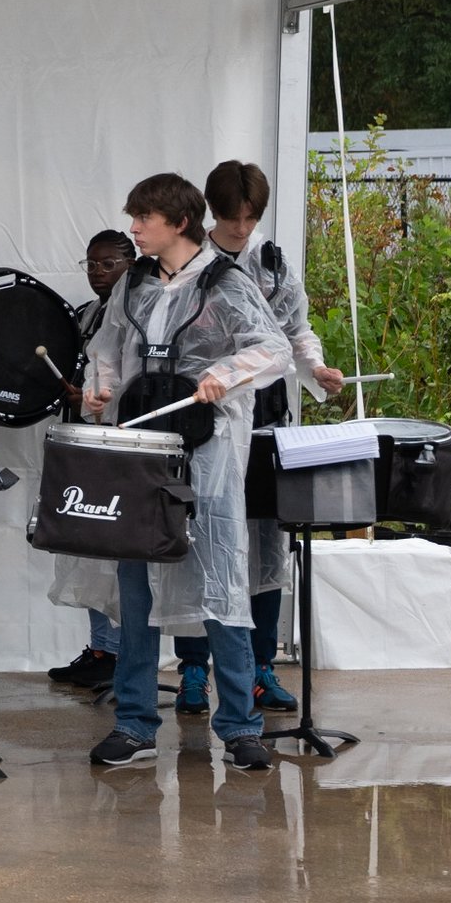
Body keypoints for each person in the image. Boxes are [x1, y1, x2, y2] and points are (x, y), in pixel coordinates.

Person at [75, 173, 290, 773]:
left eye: (142, 219)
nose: (134, 228)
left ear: (176, 222)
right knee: (136, 583)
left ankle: (240, 727)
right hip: (141, 448)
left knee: (222, 575)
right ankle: (135, 722)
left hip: (208, 449)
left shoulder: (226, 283)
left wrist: (230, 372)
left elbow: (272, 348)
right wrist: (101, 390)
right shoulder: (135, 283)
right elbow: (109, 348)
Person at [169, 160, 349, 718]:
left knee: (267, 537)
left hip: (266, 414)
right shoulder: (190, 264)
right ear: (211, 212)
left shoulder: (272, 261)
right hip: (206, 417)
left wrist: (315, 367)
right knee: (200, 535)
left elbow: (296, 328)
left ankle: (260, 665)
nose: (241, 228)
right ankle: (194, 668)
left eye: (250, 217)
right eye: (230, 217)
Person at [45, 227, 137, 690]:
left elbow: (135, 376)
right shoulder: (84, 316)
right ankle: (101, 648)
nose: (98, 273)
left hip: (118, 444)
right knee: (88, 546)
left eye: (109, 264)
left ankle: (122, 652)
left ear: (131, 263)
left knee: (118, 551)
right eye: (91, 264)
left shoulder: (140, 311)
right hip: (84, 440)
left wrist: (100, 396)